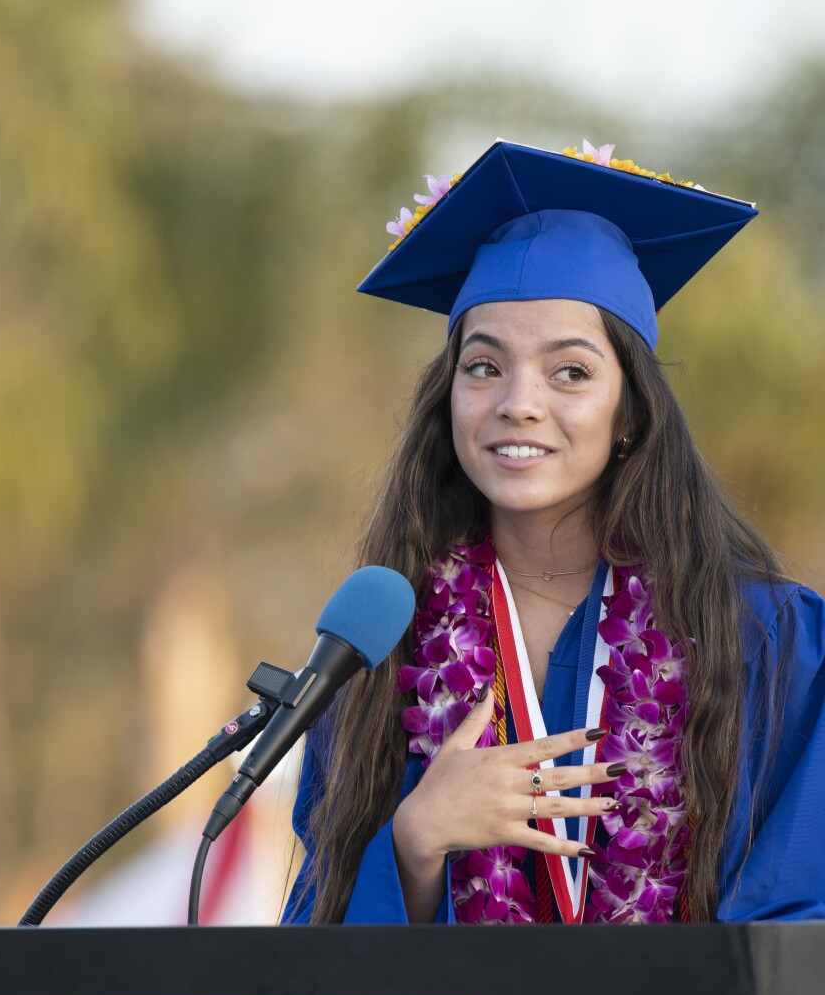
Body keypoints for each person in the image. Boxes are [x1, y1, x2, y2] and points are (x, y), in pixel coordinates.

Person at [283, 139, 825, 927]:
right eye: (483, 366)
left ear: (631, 410)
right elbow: (317, 953)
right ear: (449, 399)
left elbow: (802, 914)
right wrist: (416, 840)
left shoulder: (765, 639)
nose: (519, 403)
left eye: (570, 371)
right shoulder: (379, 653)